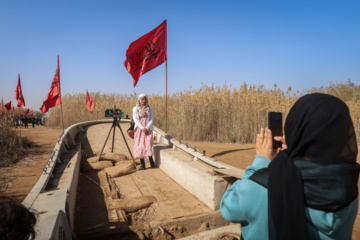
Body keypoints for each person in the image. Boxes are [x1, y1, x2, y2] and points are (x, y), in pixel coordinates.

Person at [220, 93, 360, 240]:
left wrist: (260, 163)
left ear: (295, 128)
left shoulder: (263, 187)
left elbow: (228, 207)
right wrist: (297, 148)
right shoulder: (347, 185)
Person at [133, 93, 155, 170]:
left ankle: (151, 161)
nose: (144, 100)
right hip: (140, 129)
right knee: (140, 146)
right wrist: (143, 128)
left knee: (148, 144)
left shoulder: (149, 108)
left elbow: (151, 118)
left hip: (148, 128)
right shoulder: (136, 108)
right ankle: (142, 164)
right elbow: (135, 119)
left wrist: (147, 127)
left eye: (145, 99)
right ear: (139, 99)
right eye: (142, 99)